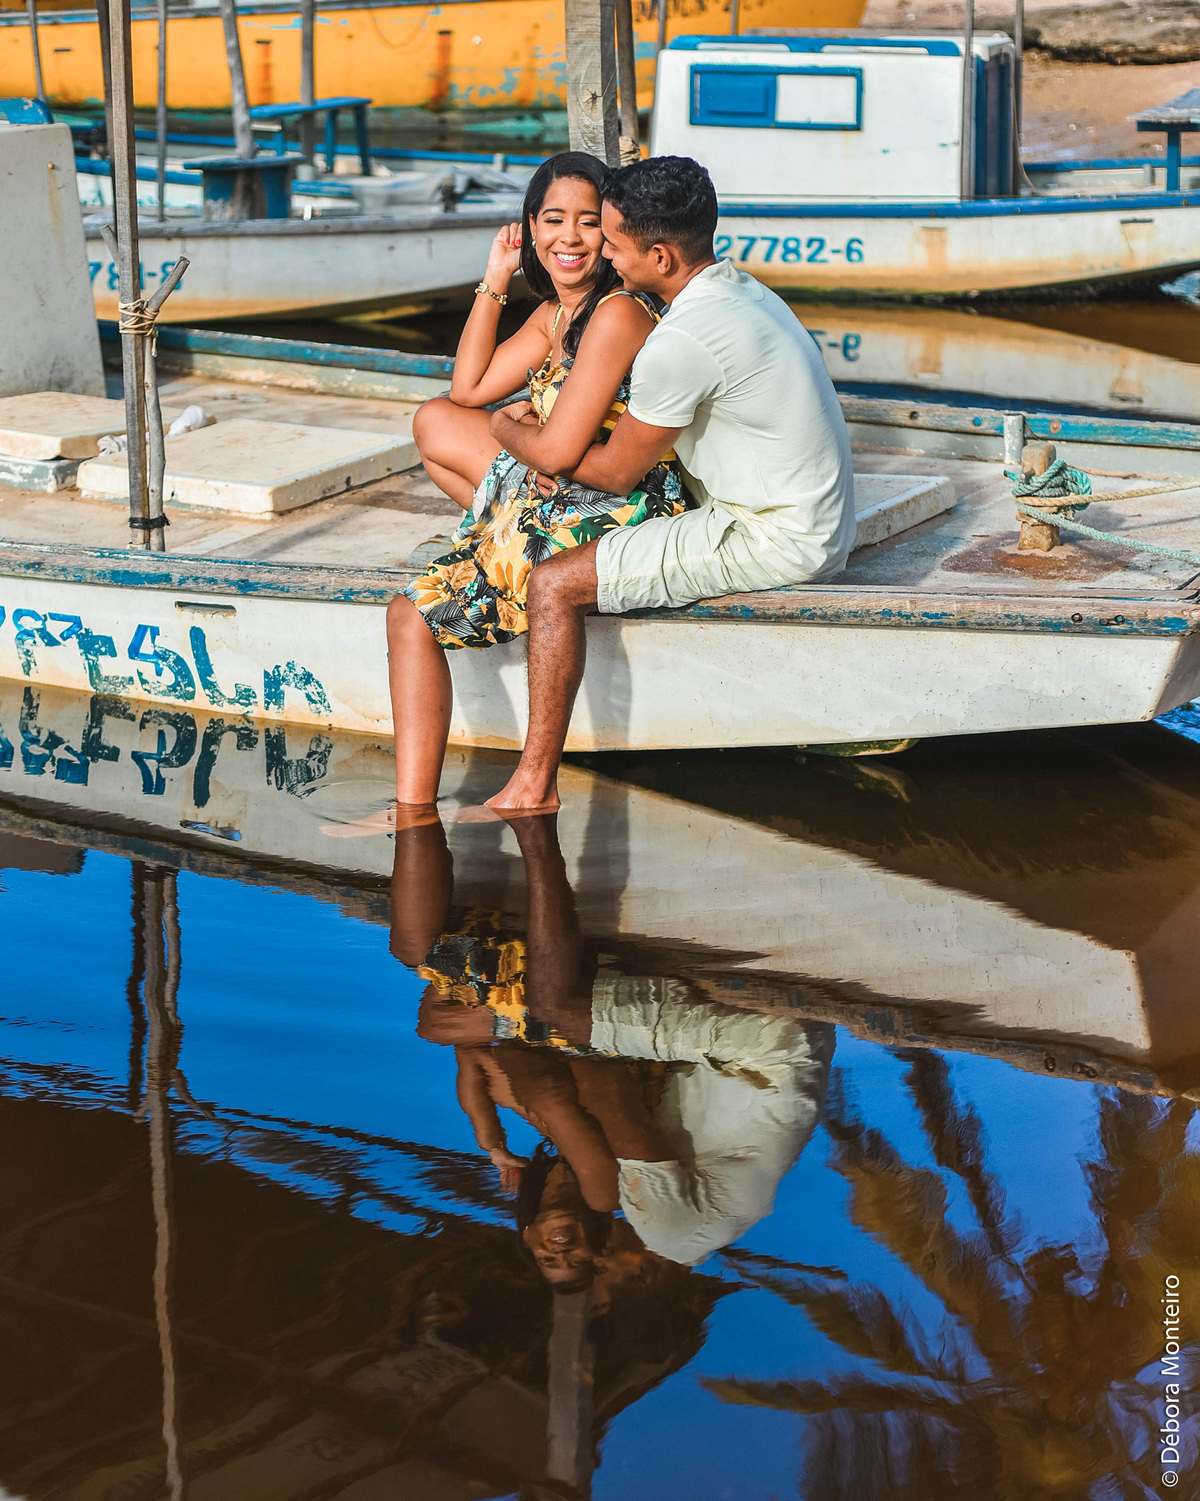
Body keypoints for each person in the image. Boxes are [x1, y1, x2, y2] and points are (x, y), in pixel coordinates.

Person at [483, 154, 857, 814]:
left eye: (614, 243)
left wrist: (508, 427)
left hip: (776, 537)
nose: (604, 255)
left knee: (553, 583)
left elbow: (612, 471)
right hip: (814, 515)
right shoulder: (743, 290)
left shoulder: (680, 341)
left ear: (659, 256)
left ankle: (532, 786)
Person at [384, 150, 689, 818]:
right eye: (553, 220)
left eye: (588, 222)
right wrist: (495, 278)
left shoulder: (618, 311)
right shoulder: (556, 313)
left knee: (410, 614)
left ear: (612, 232)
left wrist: (511, 426)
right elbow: (468, 389)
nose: (569, 238)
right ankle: (413, 808)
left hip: (618, 503)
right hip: (560, 485)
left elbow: (559, 446)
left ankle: (413, 815)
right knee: (435, 419)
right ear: (530, 226)